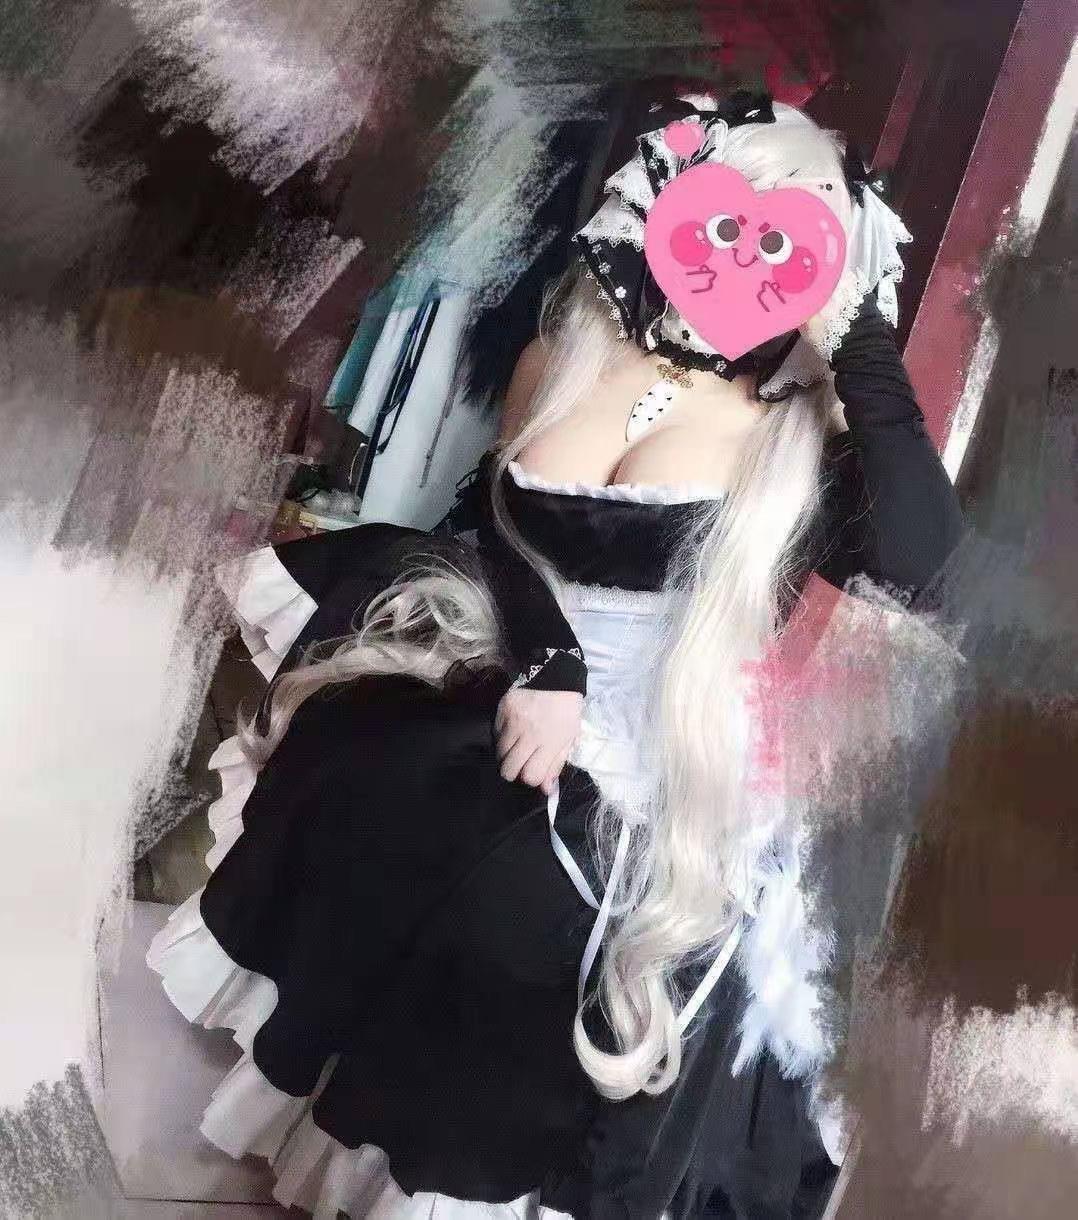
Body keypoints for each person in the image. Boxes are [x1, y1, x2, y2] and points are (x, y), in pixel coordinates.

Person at [148, 92, 963, 1219]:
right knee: (381, 798)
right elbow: (502, 524)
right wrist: (548, 667)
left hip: (664, 760)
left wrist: (858, 338)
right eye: (732, 217)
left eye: (791, 238)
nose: (749, 256)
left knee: (535, 932)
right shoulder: (568, 352)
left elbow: (926, 563)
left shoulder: (798, 443)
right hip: (522, 673)